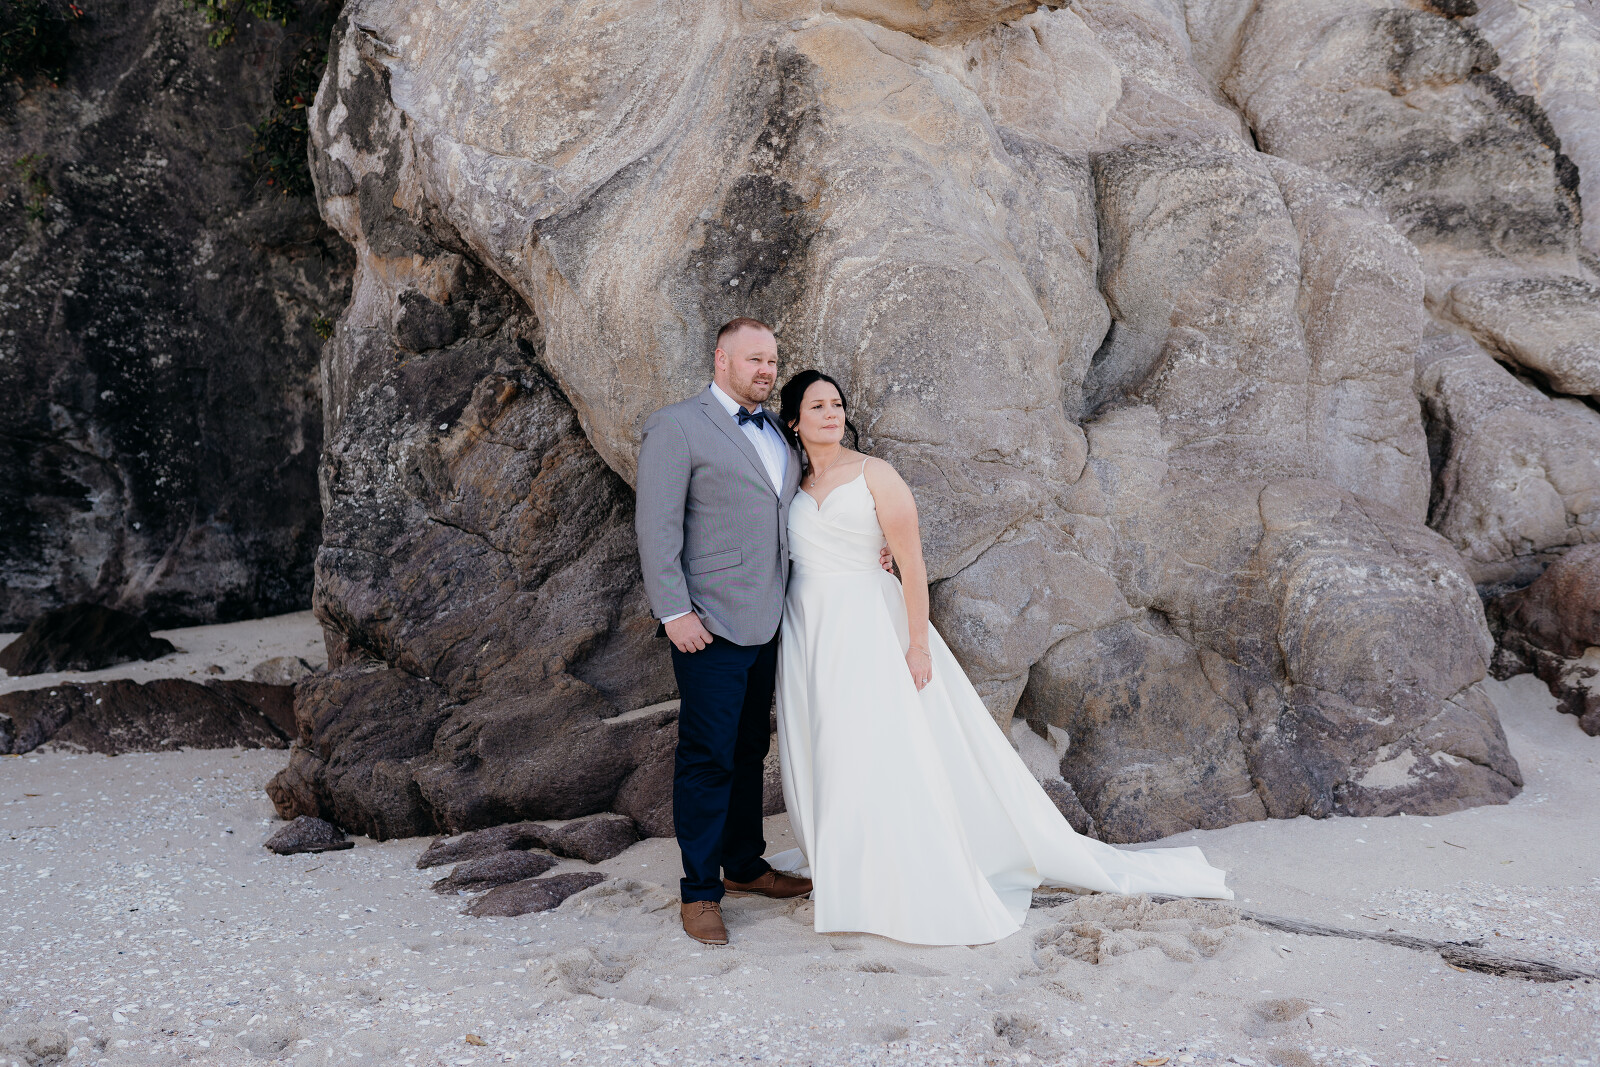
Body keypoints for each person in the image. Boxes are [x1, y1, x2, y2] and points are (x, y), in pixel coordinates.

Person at [765, 369, 1233, 946]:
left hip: (868, 624)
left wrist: (917, 644)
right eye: (817, 406)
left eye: (837, 404)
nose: (832, 414)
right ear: (794, 420)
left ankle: (894, 868)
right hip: (807, 629)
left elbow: (912, 564)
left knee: (880, 741)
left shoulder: (875, 474)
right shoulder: (789, 482)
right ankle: (844, 859)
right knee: (829, 743)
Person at [633, 318, 891, 946]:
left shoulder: (779, 429)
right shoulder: (677, 425)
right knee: (707, 756)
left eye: (772, 360)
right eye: (754, 359)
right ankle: (700, 892)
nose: (767, 370)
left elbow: (805, 509)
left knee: (750, 750)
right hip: (708, 624)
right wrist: (674, 612)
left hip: (774, 621)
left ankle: (744, 865)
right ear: (721, 359)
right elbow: (656, 525)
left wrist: (874, 545)